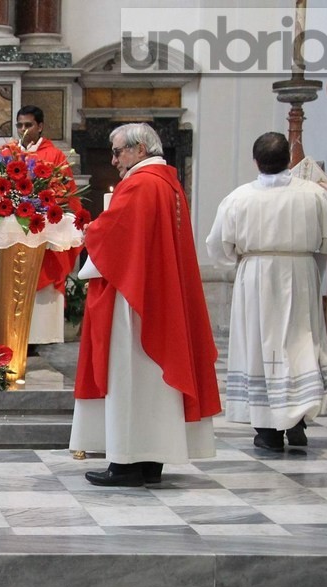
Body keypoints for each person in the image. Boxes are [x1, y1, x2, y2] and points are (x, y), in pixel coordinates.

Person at [71, 123, 220, 487]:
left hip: (133, 302)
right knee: (153, 384)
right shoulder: (168, 183)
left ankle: (125, 462)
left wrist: (87, 232)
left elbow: (114, 236)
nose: (114, 159)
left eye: (118, 151)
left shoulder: (140, 185)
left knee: (130, 376)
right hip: (157, 298)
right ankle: (152, 461)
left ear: (139, 149)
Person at [207, 132, 327, 451]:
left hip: (255, 277)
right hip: (299, 274)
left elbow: (218, 246)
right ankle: (297, 420)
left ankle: (267, 431)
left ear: (255, 162)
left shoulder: (239, 197)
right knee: (298, 344)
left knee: (259, 350)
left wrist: (245, 258)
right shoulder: (313, 195)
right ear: (289, 160)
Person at [16, 105, 82, 348]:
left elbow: (68, 194)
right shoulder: (10, 155)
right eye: (20, 125)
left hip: (43, 231)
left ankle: (39, 338)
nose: (23, 130)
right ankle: (13, 334)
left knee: (41, 285)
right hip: (15, 232)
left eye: (28, 125)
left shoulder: (54, 156)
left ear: (40, 126)